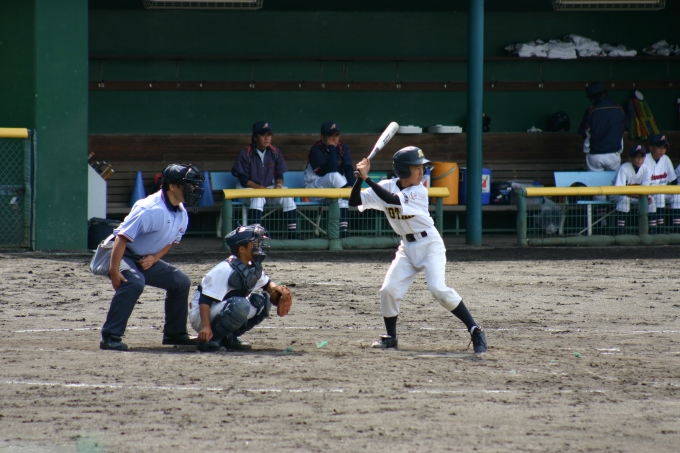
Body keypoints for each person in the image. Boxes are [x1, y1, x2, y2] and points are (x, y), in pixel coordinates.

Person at [348, 146, 487, 353]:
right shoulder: (386, 185)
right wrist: (360, 179)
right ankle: (391, 337)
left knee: (438, 288)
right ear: (403, 170)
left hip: (430, 245)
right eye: (417, 168)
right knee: (389, 290)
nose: (422, 172)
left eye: (423, 168)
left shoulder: (419, 191)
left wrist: (367, 178)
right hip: (406, 248)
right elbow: (354, 201)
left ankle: (475, 330)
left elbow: (392, 200)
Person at [100, 163, 205, 351]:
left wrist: (155, 257)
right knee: (134, 282)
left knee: (180, 281)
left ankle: (175, 334)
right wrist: (114, 270)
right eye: (188, 184)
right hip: (118, 252)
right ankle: (110, 336)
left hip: (144, 257)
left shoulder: (181, 212)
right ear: (172, 186)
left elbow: (172, 241)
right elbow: (122, 238)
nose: (193, 189)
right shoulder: (149, 209)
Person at [189, 224, 293, 352]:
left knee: (262, 301)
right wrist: (205, 326)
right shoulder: (225, 269)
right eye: (254, 243)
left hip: (220, 310)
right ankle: (210, 340)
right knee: (240, 304)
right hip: (201, 314)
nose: (259, 246)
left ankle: (229, 338)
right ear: (242, 249)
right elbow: (205, 300)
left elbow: (267, 284)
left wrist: (278, 291)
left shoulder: (251, 266)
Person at [231, 121, 301, 239]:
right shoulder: (246, 152)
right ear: (255, 137)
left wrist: (278, 186)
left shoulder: (275, 151)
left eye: (269, 135)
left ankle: (292, 233)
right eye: (263, 135)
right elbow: (243, 179)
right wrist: (260, 189)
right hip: (247, 189)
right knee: (258, 197)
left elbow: (279, 175)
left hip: (267, 188)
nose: (267, 138)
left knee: (287, 196)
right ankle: (255, 234)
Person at [304, 121, 355, 237]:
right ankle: (349, 195)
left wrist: (350, 186)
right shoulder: (316, 149)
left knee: (342, 193)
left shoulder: (343, 149)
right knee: (335, 176)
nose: (334, 138)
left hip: (332, 190)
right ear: (322, 137)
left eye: (336, 135)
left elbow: (348, 169)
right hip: (313, 189)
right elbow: (331, 169)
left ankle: (343, 230)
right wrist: (331, 147)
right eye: (330, 135)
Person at [578, 81, 629, 172]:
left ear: (592, 98)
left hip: (595, 154)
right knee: (614, 181)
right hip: (614, 154)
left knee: (595, 181)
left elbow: (583, 132)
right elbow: (626, 127)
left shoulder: (591, 110)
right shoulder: (619, 108)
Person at [612, 144, 655, 235]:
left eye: (641, 157)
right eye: (636, 156)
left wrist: (642, 197)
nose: (639, 159)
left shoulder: (647, 169)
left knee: (651, 200)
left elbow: (645, 189)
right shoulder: (624, 168)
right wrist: (638, 197)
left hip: (636, 196)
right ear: (630, 158)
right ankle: (620, 230)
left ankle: (651, 229)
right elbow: (619, 190)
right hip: (617, 196)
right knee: (624, 199)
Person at [645, 134, 678, 232]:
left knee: (677, 195)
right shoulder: (645, 159)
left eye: (664, 147)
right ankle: (658, 226)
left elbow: (673, 180)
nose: (662, 150)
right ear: (651, 148)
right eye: (659, 147)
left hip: (662, 192)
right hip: (649, 193)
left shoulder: (666, 159)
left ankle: (677, 227)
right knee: (659, 194)